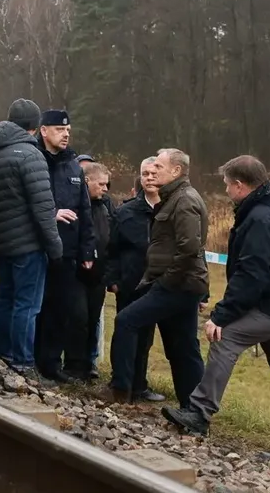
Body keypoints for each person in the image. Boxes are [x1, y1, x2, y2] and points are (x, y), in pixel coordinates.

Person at [161, 155, 270, 468]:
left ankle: (198, 413)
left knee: (226, 336)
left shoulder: (262, 217)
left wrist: (221, 315)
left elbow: (253, 274)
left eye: (226, 185)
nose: (225, 190)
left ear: (239, 185)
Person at [107, 148, 208, 406]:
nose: (153, 172)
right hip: (179, 283)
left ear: (176, 171)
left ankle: (121, 391)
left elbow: (189, 249)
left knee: (127, 321)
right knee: (182, 347)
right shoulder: (173, 197)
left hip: (177, 284)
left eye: (159, 167)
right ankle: (193, 407)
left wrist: (165, 281)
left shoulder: (184, 200)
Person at [0, 99, 63, 378]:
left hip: (1, 240)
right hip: (28, 243)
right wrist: (55, 247)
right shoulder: (30, 155)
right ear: (34, 127)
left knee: (5, 297)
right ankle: (23, 362)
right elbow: (43, 207)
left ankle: (1, 352)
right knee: (27, 304)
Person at [34, 109, 95, 383]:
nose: (66, 134)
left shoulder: (73, 165)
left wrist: (86, 249)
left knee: (60, 310)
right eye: (59, 129)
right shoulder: (34, 160)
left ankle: (51, 364)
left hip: (68, 251)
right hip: (38, 247)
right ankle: (29, 360)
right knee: (37, 307)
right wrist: (51, 215)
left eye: (68, 130)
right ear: (43, 130)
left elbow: (84, 209)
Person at [102, 158, 166, 403]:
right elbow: (112, 249)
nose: (149, 178)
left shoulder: (171, 210)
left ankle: (140, 385)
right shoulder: (125, 211)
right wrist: (113, 279)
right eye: (145, 174)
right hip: (129, 282)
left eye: (153, 173)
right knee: (126, 333)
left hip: (158, 285)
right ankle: (121, 384)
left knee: (146, 338)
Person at [79, 160, 113, 381]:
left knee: (93, 319)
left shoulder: (105, 205)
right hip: (77, 273)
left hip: (99, 274)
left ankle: (89, 362)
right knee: (77, 318)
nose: (105, 189)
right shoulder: (76, 205)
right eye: (101, 184)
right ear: (87, 181)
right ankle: (73, 361)